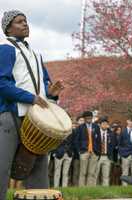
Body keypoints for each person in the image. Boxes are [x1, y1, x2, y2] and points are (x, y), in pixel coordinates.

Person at [0, 10, 63, 199]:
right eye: (19, 22)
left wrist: (51, 94)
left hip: (36, 120)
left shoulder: (36, 54)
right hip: (11, 117)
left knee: (38, 169)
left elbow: (44, 84)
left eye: (25, 21)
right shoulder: (5, 48)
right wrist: (31, 98)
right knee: (2, 168)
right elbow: (2, 83)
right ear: (8, 28)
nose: (25, 24)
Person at [74, 111, 101, 186]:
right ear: (84, 118)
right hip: (84, 152)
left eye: (90, 117)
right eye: (87, 118)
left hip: (94, 152)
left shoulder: (96, 127)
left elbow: (99, 140)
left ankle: (89, 189)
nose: (89, 119)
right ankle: (82, 189)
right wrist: (79, 151)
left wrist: (98, 152)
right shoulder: (80, 127)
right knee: (83, 172)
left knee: (91, 173)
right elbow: (76, 141)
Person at [95, 117, 116, 186]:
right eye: (103, 124)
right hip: (98, 156)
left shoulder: (111, 134)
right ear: (100, 125)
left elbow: (113, 145)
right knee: (95, 175)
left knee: (106, 175)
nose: (105, 125)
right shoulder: (96, 132)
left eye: (106, 124)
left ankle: (105, 189)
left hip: (107, 157)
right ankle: (94, 189)